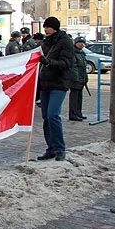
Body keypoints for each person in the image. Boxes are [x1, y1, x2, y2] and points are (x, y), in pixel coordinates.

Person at [37, 16, 74, 162]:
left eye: (49, 27)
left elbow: (66, 63)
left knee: (53, 115)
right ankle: (51, 148)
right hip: (45, 84)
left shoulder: (65, 42)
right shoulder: (45, 43)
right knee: (46, 117)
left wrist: (48, 62)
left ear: (55, 28)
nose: (46, 29)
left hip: (59, 84)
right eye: (45, 27)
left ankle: (60, 149)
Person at [69, 36, 88, 121]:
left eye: (83, 43)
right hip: (75, 80)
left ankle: (78, 113)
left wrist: (85, 78)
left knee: (79, 98)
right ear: (75, 43)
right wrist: (76, 78)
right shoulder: (73, 53)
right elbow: (73, 67)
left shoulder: (82, 53)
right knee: (74, 98)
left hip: (81, 79)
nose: (81, 44)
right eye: (79, 42)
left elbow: (84, 67)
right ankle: (73, 114)